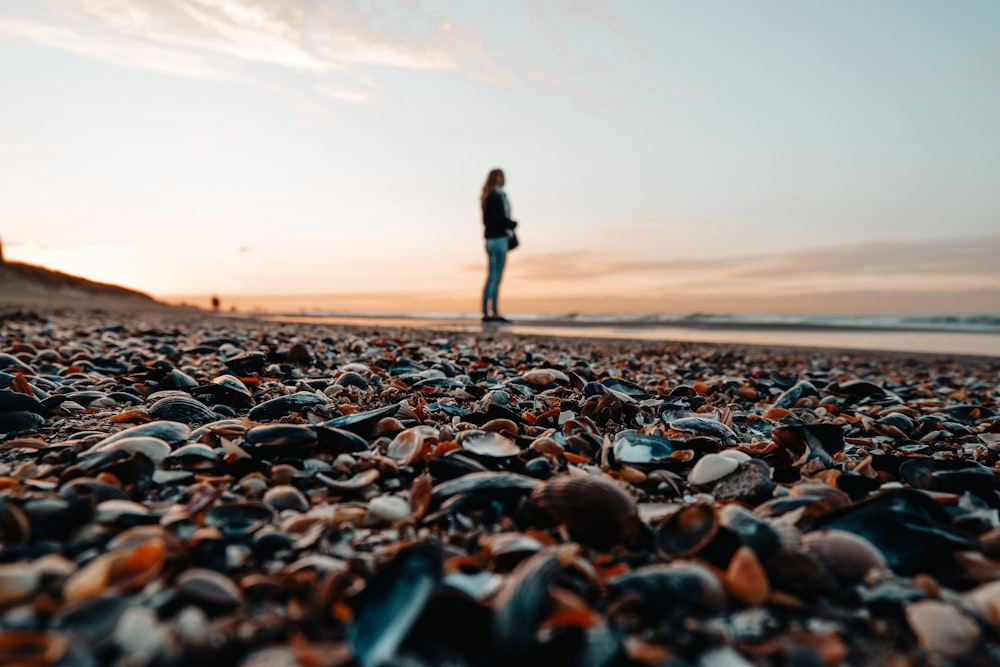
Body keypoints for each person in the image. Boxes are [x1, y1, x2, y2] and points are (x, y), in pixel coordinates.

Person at [480, 168, 517, 323]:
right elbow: (500, 220)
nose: (504, 179)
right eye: (501, 176)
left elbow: (486, 221)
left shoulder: (486, 197)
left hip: (490, 240)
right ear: (495, 178)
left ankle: (487, 311)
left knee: (491, 277)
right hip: (499, 239)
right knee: (496, 278)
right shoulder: (497, 197)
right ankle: (493, 311)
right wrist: (513, 224)